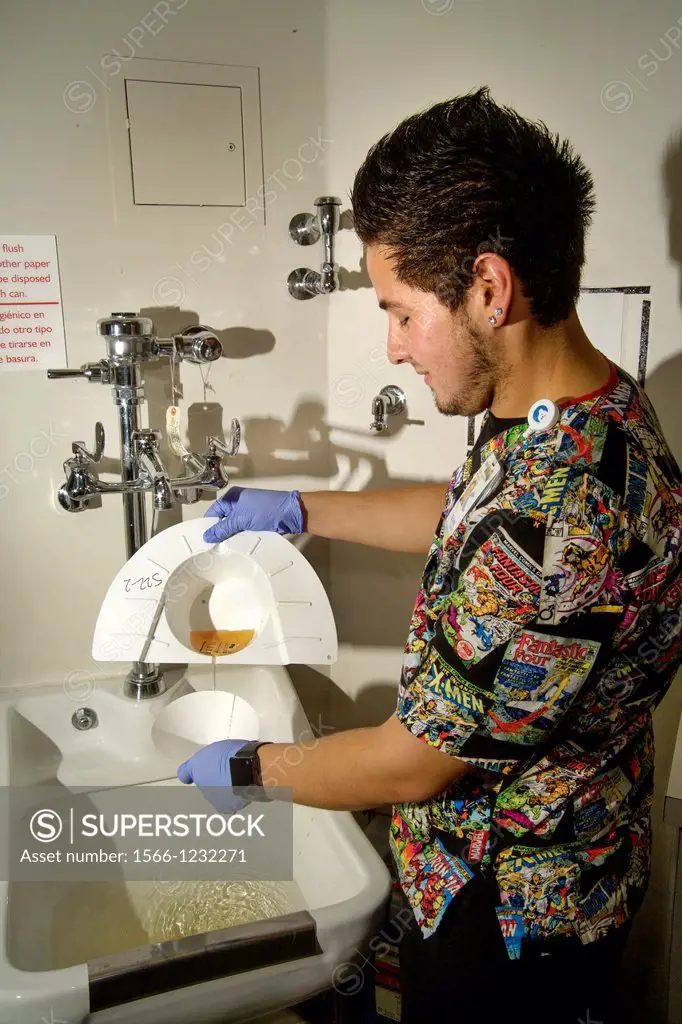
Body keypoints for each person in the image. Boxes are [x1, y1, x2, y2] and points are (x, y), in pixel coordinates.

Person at [177, 87, 682, 1023]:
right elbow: (465, 514)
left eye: (404, 312)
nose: (395, 345)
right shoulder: (570, 413)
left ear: (489, 289)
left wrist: (251, 769)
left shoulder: (558, 510)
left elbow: (411, 767)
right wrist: (301, 509)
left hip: (516, 915)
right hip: (540, 861)